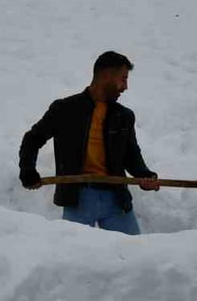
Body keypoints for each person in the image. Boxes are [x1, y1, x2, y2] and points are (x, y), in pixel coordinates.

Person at [18, 51, 160, 234]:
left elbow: (131, 155)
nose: (125, 87)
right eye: (123, 79)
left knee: (133, 254)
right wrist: (28, 170)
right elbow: (32, 139)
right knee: (73, 256)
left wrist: (145, 175)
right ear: (106, 76)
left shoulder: (124, 116)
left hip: (116, 199)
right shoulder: (65, 110)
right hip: (78, 199)